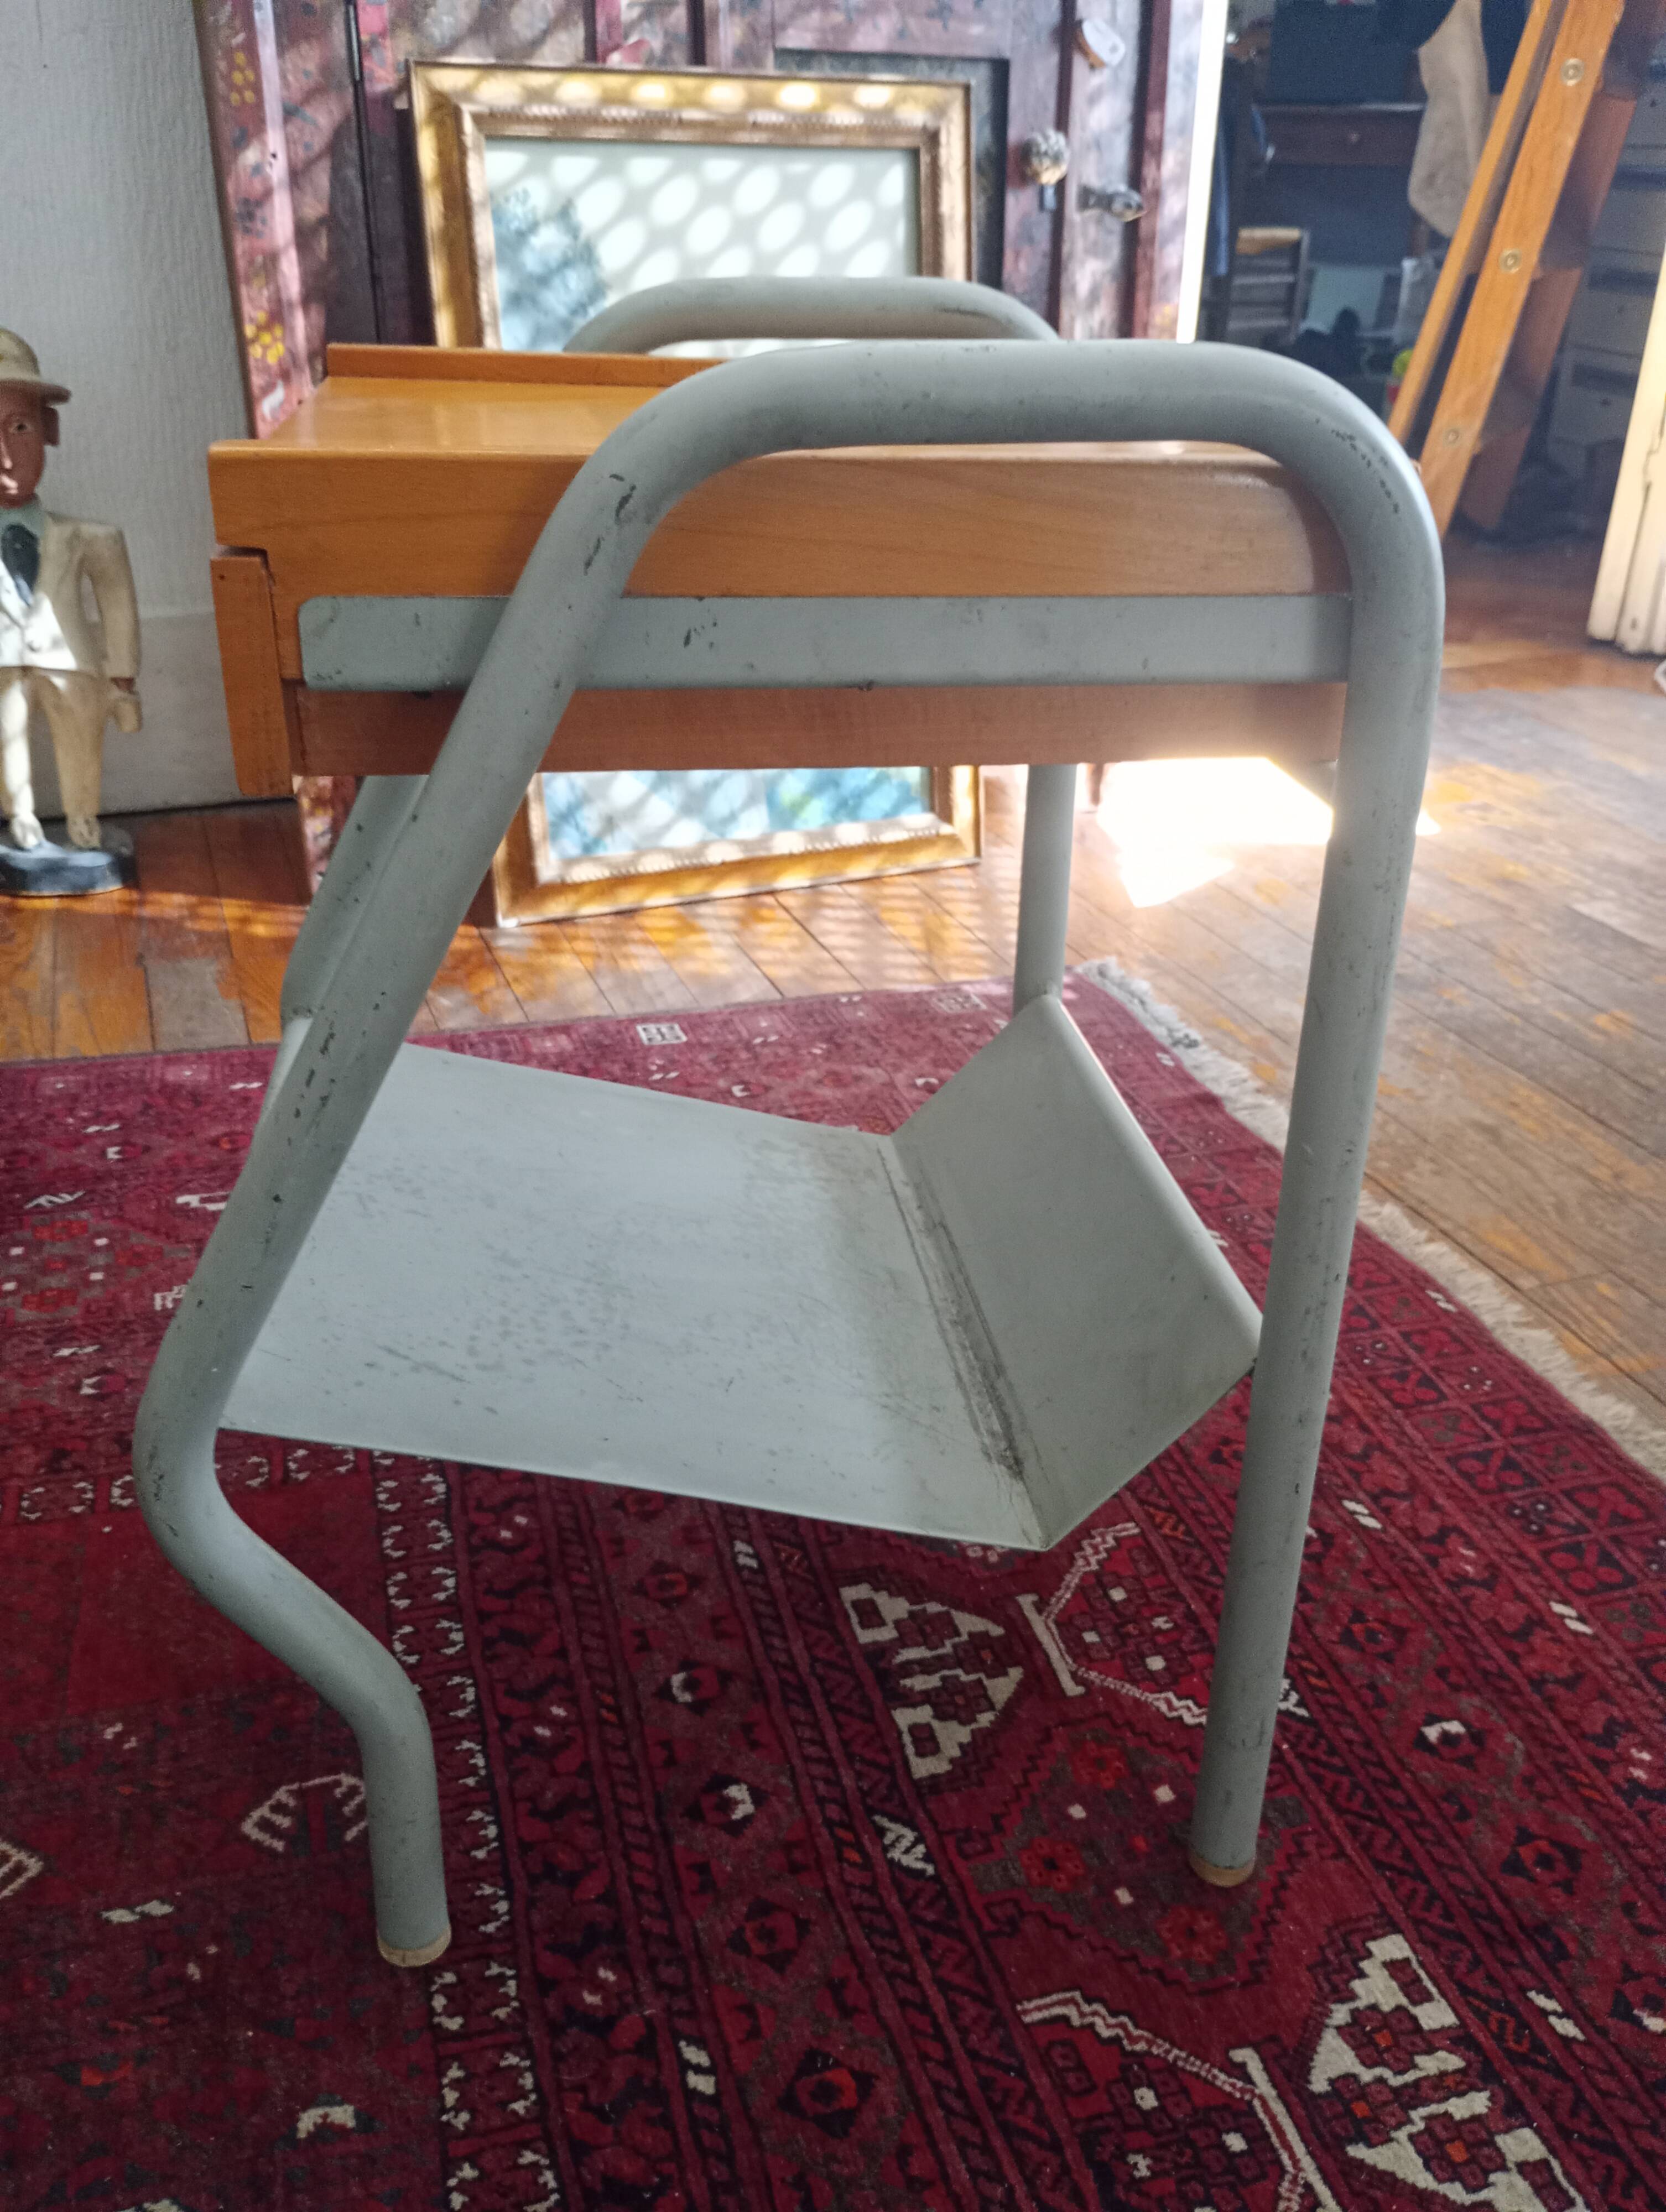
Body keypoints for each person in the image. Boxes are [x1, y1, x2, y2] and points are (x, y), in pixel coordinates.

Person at [0, 328, 140, 854]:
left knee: (81, 745)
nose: (6, 457)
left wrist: (122, 668)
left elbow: (117, 596)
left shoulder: (88, 538)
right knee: (5, 747)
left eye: (20, 428)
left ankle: (84, 819)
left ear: (49, 429)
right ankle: (22, 823)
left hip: (74, 667)